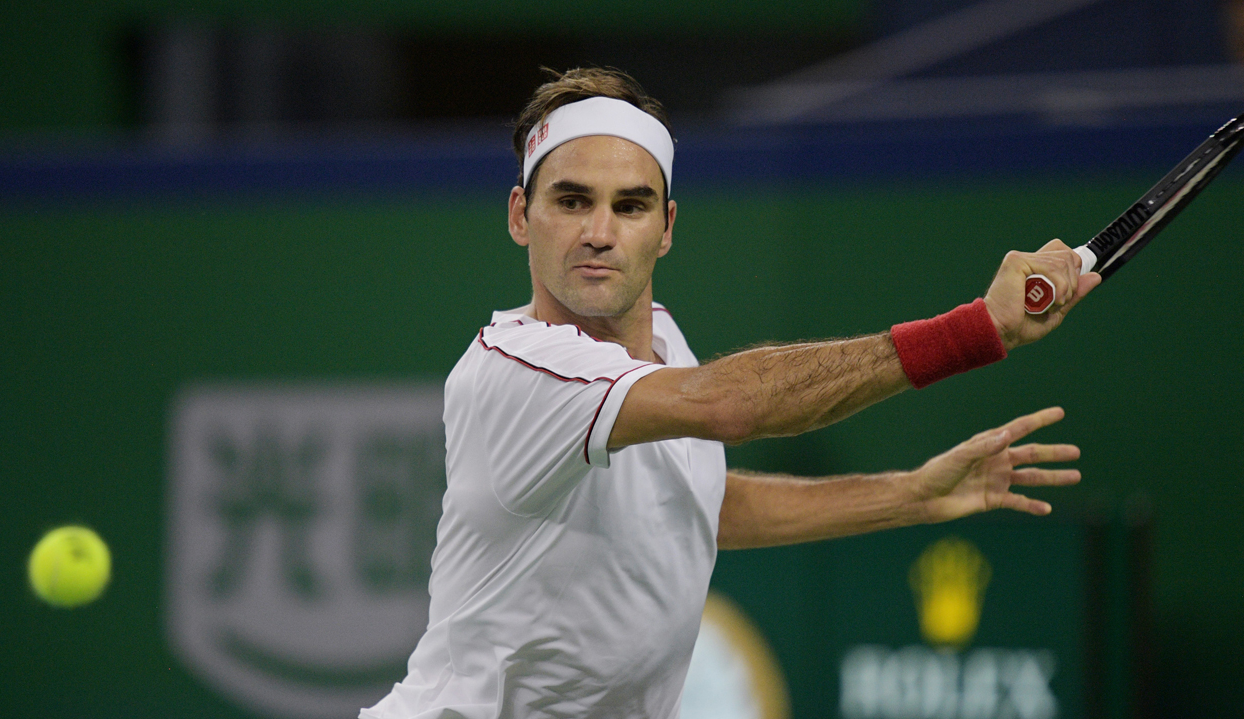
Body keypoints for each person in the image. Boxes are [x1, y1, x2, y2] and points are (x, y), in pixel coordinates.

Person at [360, 68, 1099, 719]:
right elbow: (730, 406)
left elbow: (697, 502)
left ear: (667, 227)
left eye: (631, 205)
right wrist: (975, 330)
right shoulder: (517, 370)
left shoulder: (662, 343)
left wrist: (910, 495)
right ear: (521, 215)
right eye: (573, 201)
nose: (600, 232)